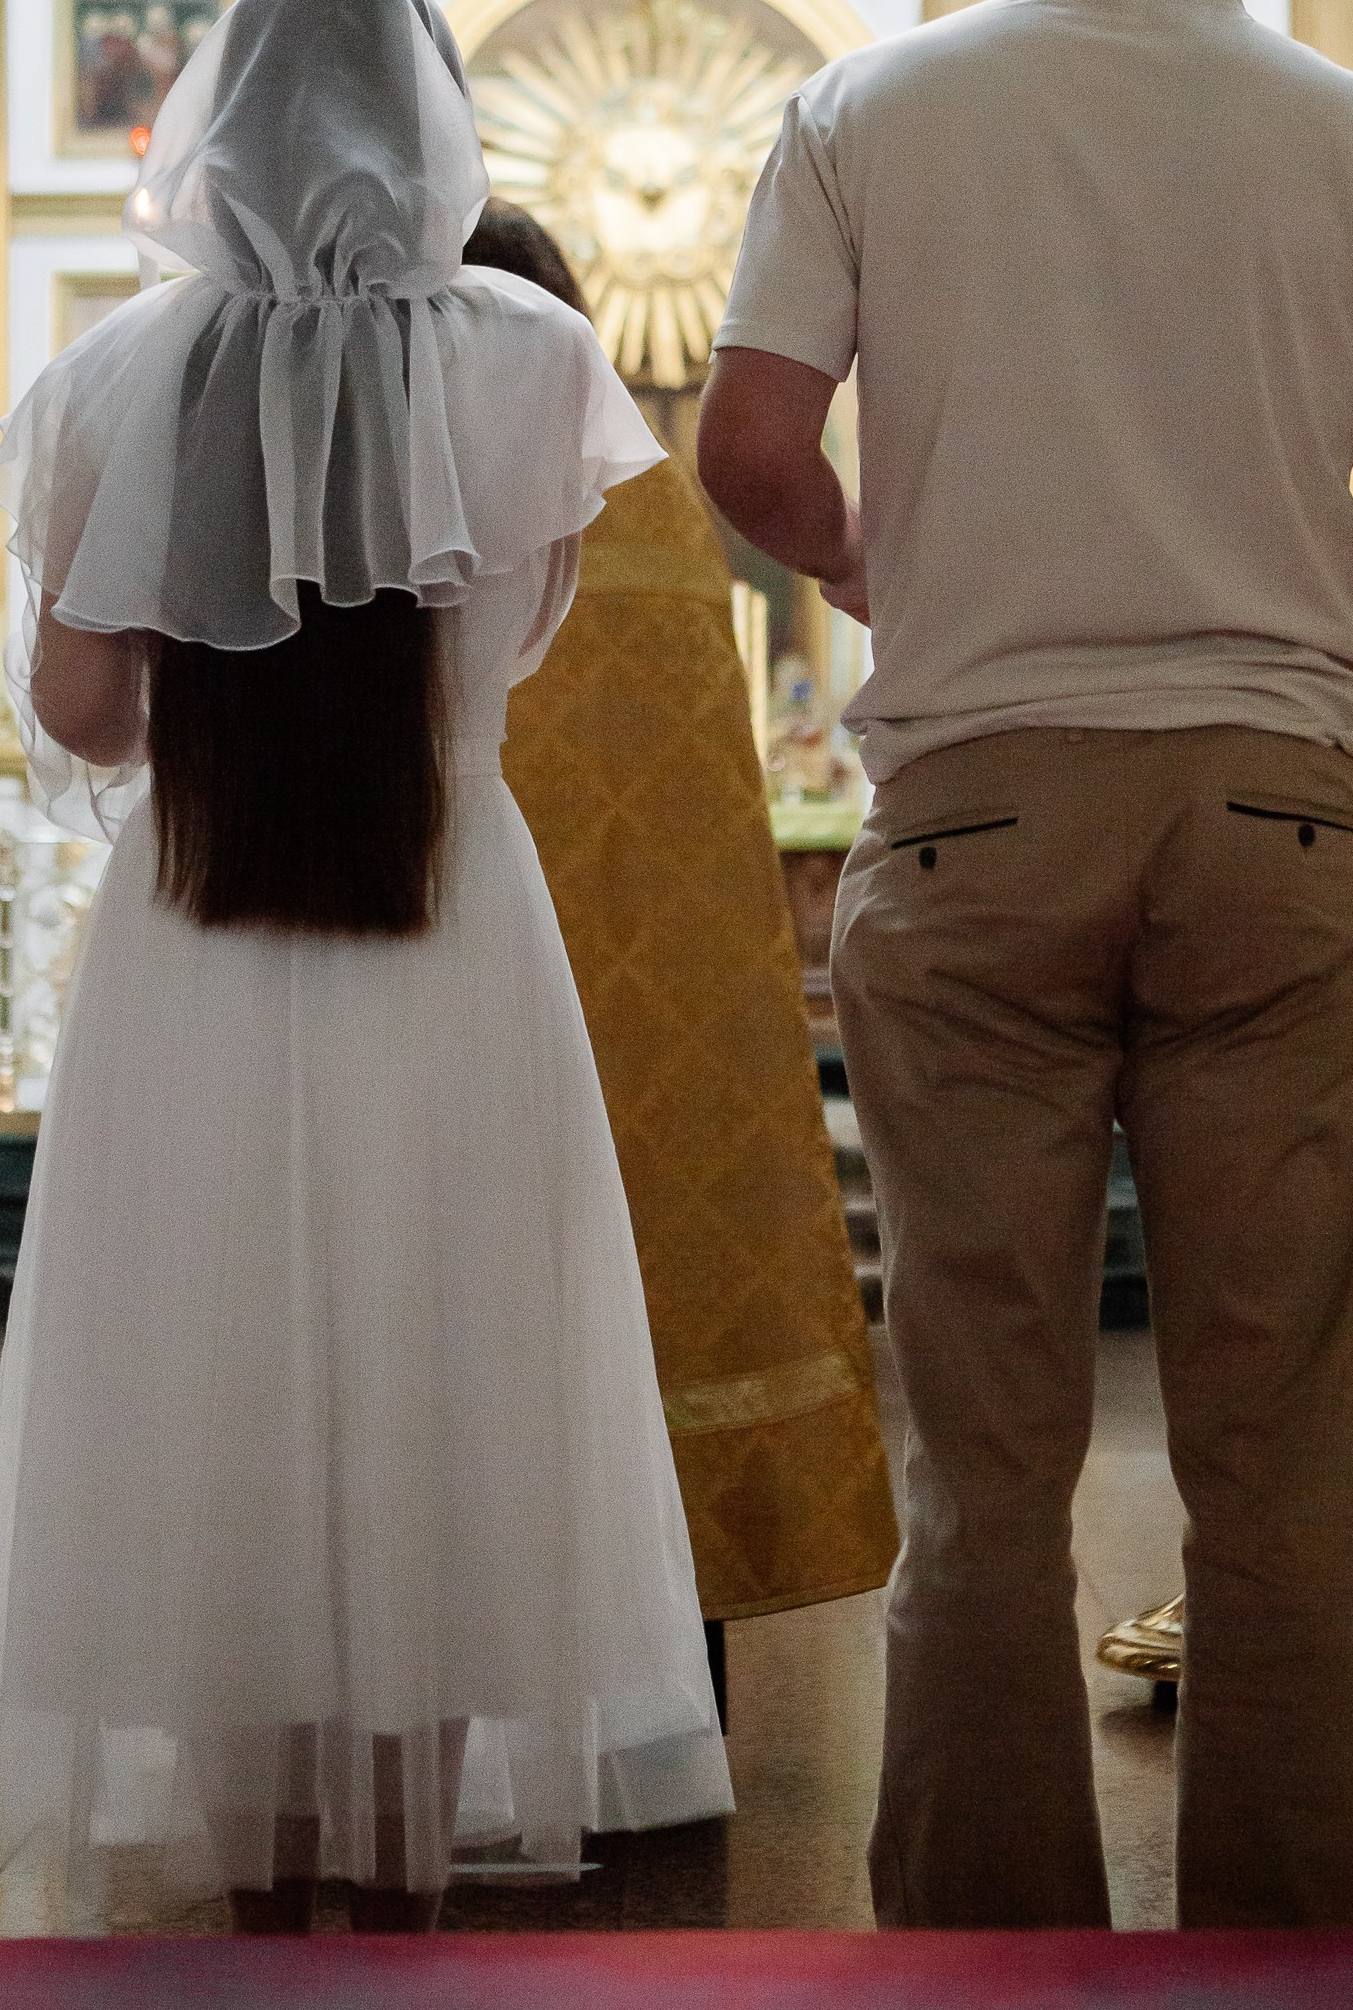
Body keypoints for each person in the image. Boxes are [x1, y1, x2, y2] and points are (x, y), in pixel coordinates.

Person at [696, 0, 1353, 1934]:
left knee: (978, 1450)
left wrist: (898, 566)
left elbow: (747, 456)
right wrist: (1283, 569)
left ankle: (985, 1949)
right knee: (1275, 1446)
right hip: (1273, 806)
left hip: (971, 809)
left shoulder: (861, 108)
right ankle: (1273, 1944)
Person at [0, 0, 730, 1932]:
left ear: (218, 121)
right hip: (446, 904)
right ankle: (401, 1833)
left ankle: (254, 1860)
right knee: (437, 1338)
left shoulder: (118, 373)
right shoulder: (538, 359)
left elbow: (87, 712)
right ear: (435, 110)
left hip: (198, 924)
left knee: (213, 1348)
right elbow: (513, 644)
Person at [465, 199, 896, 1671]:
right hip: (648, 1014)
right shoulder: (641, 498)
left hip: (443, 966)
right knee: (652, 1294)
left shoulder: (401, 494)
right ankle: (669, 1666)